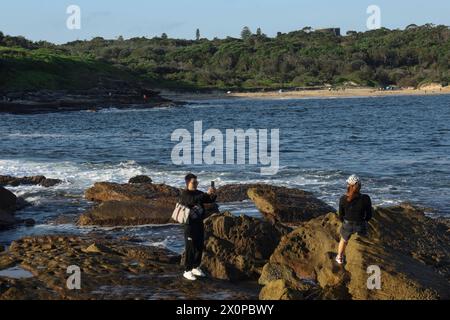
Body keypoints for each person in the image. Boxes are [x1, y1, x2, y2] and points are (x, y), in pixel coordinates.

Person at [179, 173, 217, 281]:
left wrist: (213, 194)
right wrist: (205, 194)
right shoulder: (184, 194)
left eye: (197, 182)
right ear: (187, 183)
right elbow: (191, 200)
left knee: (199, 246)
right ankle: (187, 270)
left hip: (199, 223)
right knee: (190, 248)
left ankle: (196, 267)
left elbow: (209, 200)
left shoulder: (198, 193)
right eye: (194, 182)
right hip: (189, 225)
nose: (196, 184)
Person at [336, 175, 373, 265]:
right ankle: (363, 259)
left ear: (348, 185)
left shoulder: (343, 199)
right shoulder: (366, 198)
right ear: (359, 186)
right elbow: (369, 215)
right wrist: (365, 221)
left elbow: (341, 215)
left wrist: (344, 221)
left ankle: (339, 257)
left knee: (343, 240)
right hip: (360, 225)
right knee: (362, 241)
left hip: (347, 224)